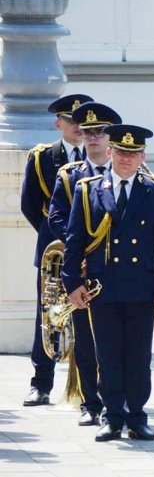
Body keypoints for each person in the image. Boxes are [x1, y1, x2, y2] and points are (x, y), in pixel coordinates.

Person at [63, 124, 154, 442]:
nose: (126, 159)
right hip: (103, 287)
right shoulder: (88, 190)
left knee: (139, 355)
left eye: (133, 153)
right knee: (108, 354)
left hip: (141, 287)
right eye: (121, 152)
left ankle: (137, 416)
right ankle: (112, 417)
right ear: (109, 152)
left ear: (142, 156)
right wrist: (72, 282)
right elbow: (75, 241)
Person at [45, 101, 122, 427]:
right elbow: (57, 217)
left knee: (120, 341)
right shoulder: (69, 176)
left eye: (100, 132)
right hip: (87, 271)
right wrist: (79, 244)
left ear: (111, 137)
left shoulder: (130, 173)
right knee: (88, 343)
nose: (93, 138)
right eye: (88, 132)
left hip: (120, 270)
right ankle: (91, 403)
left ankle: (117, 402)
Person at [19, 92, 92, 408]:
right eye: (70, 121)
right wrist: (58, 238)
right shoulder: (42, 157)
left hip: (93, 251)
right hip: (56, 251)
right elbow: (31, 206)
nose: (77, 126)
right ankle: (41, 383)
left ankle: (92, 388)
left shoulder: (101, 156)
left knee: (91, 320)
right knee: (49, 316)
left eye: (82, 121)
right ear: (57, 123)